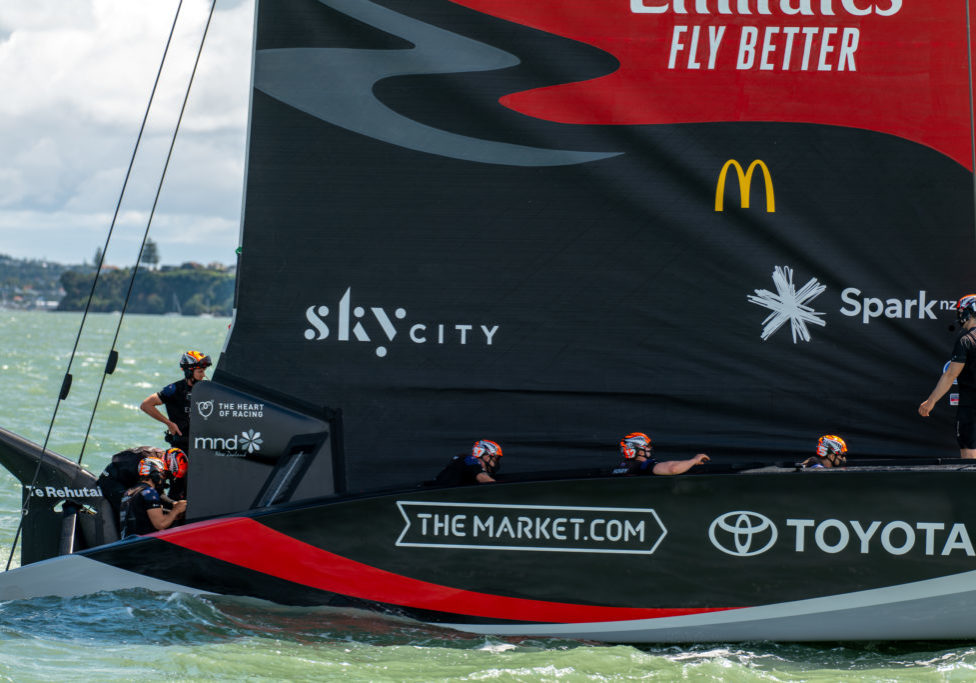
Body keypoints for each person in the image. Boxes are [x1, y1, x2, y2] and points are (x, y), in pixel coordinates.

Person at [919, 294, 976, 458]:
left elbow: (950, 375)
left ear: (967, 313)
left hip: (970, 407)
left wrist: (930, 402)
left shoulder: (966, 340)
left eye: (960, 312)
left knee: (970, 459)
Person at [140, 350, 211, 451]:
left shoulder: (207, 389)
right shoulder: (174, 389)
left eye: (204, 371)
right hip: (181, 446)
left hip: (204, 446)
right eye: (200, 371)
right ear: (189, 372)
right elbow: (146, 405)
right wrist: (169, 423)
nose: (203, 375)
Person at [119, 456, 187, 538]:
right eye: (162, 474)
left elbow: (142, 517)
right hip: (143, 543)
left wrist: (172, 516)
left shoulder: (129, 491)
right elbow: (160, 524)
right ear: (155, 473)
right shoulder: (149, 492)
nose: (163, 478)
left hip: (128, 541)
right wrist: (177, 509)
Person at [611, 432, 709, 476]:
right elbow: (673, 469)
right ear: (640, 451)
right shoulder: (643, 466)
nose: (650, 449)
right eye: (648, 446)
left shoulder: (621, 467)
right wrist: (694, 460)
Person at [435, 439, 503, 485]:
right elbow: (482, 477)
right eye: (495, 459)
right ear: (486, 456)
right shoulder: (470, 459)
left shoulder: (467, 463)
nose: (496, 463)